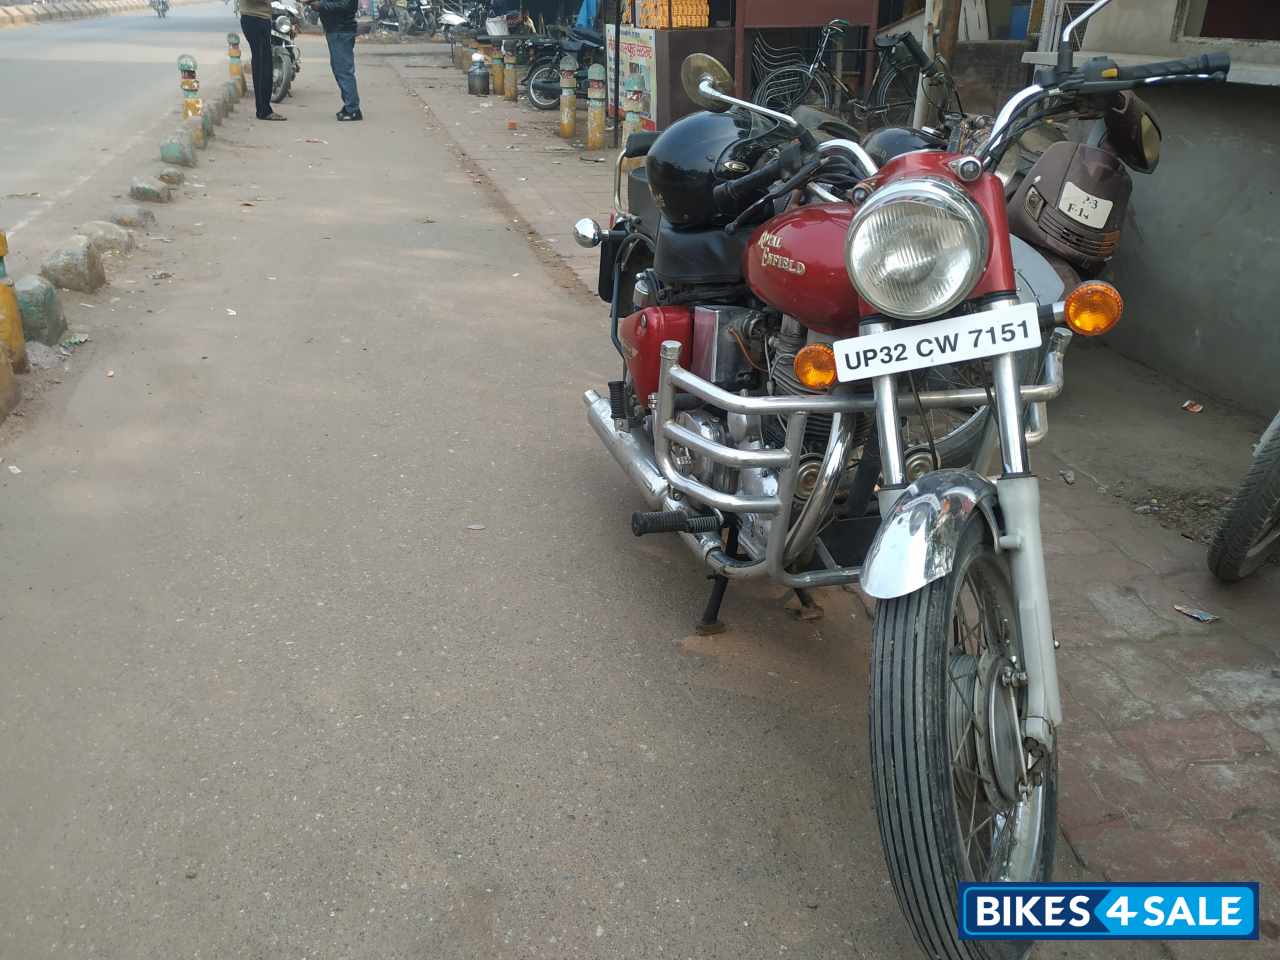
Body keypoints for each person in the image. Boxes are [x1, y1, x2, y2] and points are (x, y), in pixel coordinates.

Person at [304, 0, 362, 121]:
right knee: (339, 69)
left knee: (343, 70)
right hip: (336, 29)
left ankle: (353, 109)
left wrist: (321, 6)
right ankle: (349, 106)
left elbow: (346, 5)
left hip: (341, 30)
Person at [239, 0, 285, 120]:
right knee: (262, 65)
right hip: (253, 19)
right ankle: (263, 110)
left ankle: (264, 108)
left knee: (266, 64)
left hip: (261, 18)